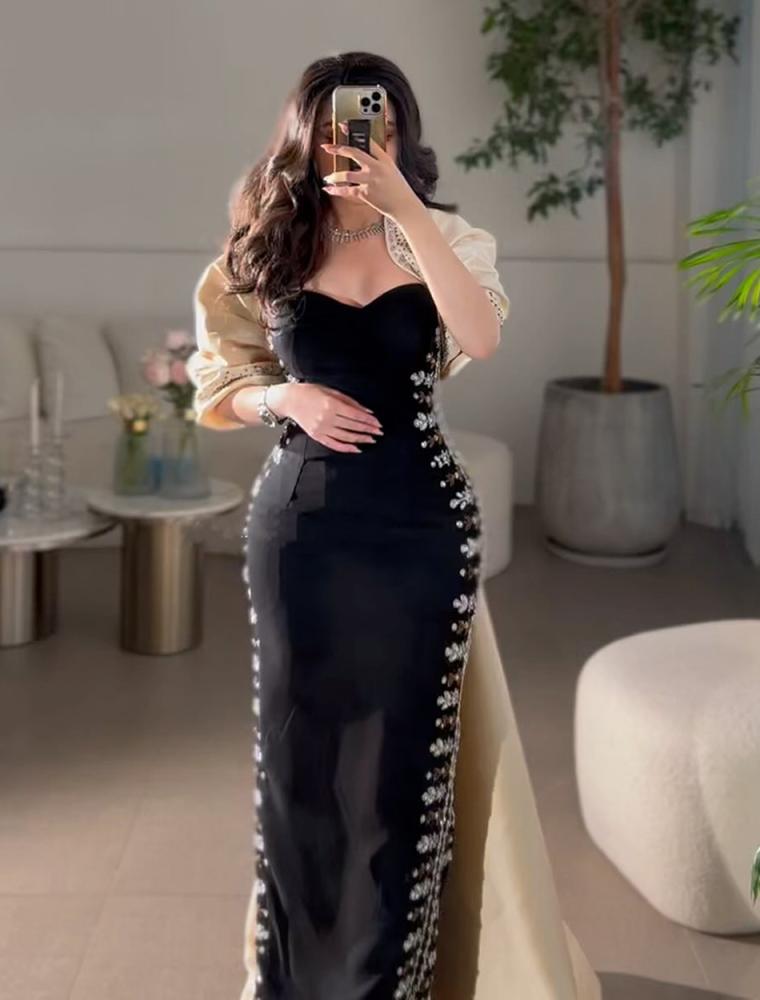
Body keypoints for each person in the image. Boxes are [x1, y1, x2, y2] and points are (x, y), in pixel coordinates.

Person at [188, 51, 601, 1000]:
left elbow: (481, 336)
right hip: (301, 534)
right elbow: (217, 381)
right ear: (304, 131)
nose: (354, 137)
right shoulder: (268, 240)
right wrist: (283, 396)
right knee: (300, 767)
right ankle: (292, 983)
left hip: (419, 530)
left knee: (402, 777)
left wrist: (407, 214)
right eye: (335, 121)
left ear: (400, 129)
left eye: (374, 119)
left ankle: (389, 987)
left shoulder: (445, 235)